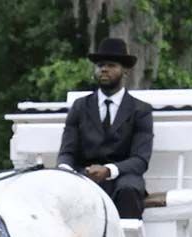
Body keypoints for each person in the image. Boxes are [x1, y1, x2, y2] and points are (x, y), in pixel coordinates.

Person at [57, 37, 154, 219]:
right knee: (62, 190)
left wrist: (108, 170)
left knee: (129, 189)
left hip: (123, 176)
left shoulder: (140, 110)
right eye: (100, 65)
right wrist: (65, 171)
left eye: (111, 65)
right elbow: (67, 152)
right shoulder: (80, 106)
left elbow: (140, 160)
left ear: (125, 70)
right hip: (85, 175)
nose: (104, 69)